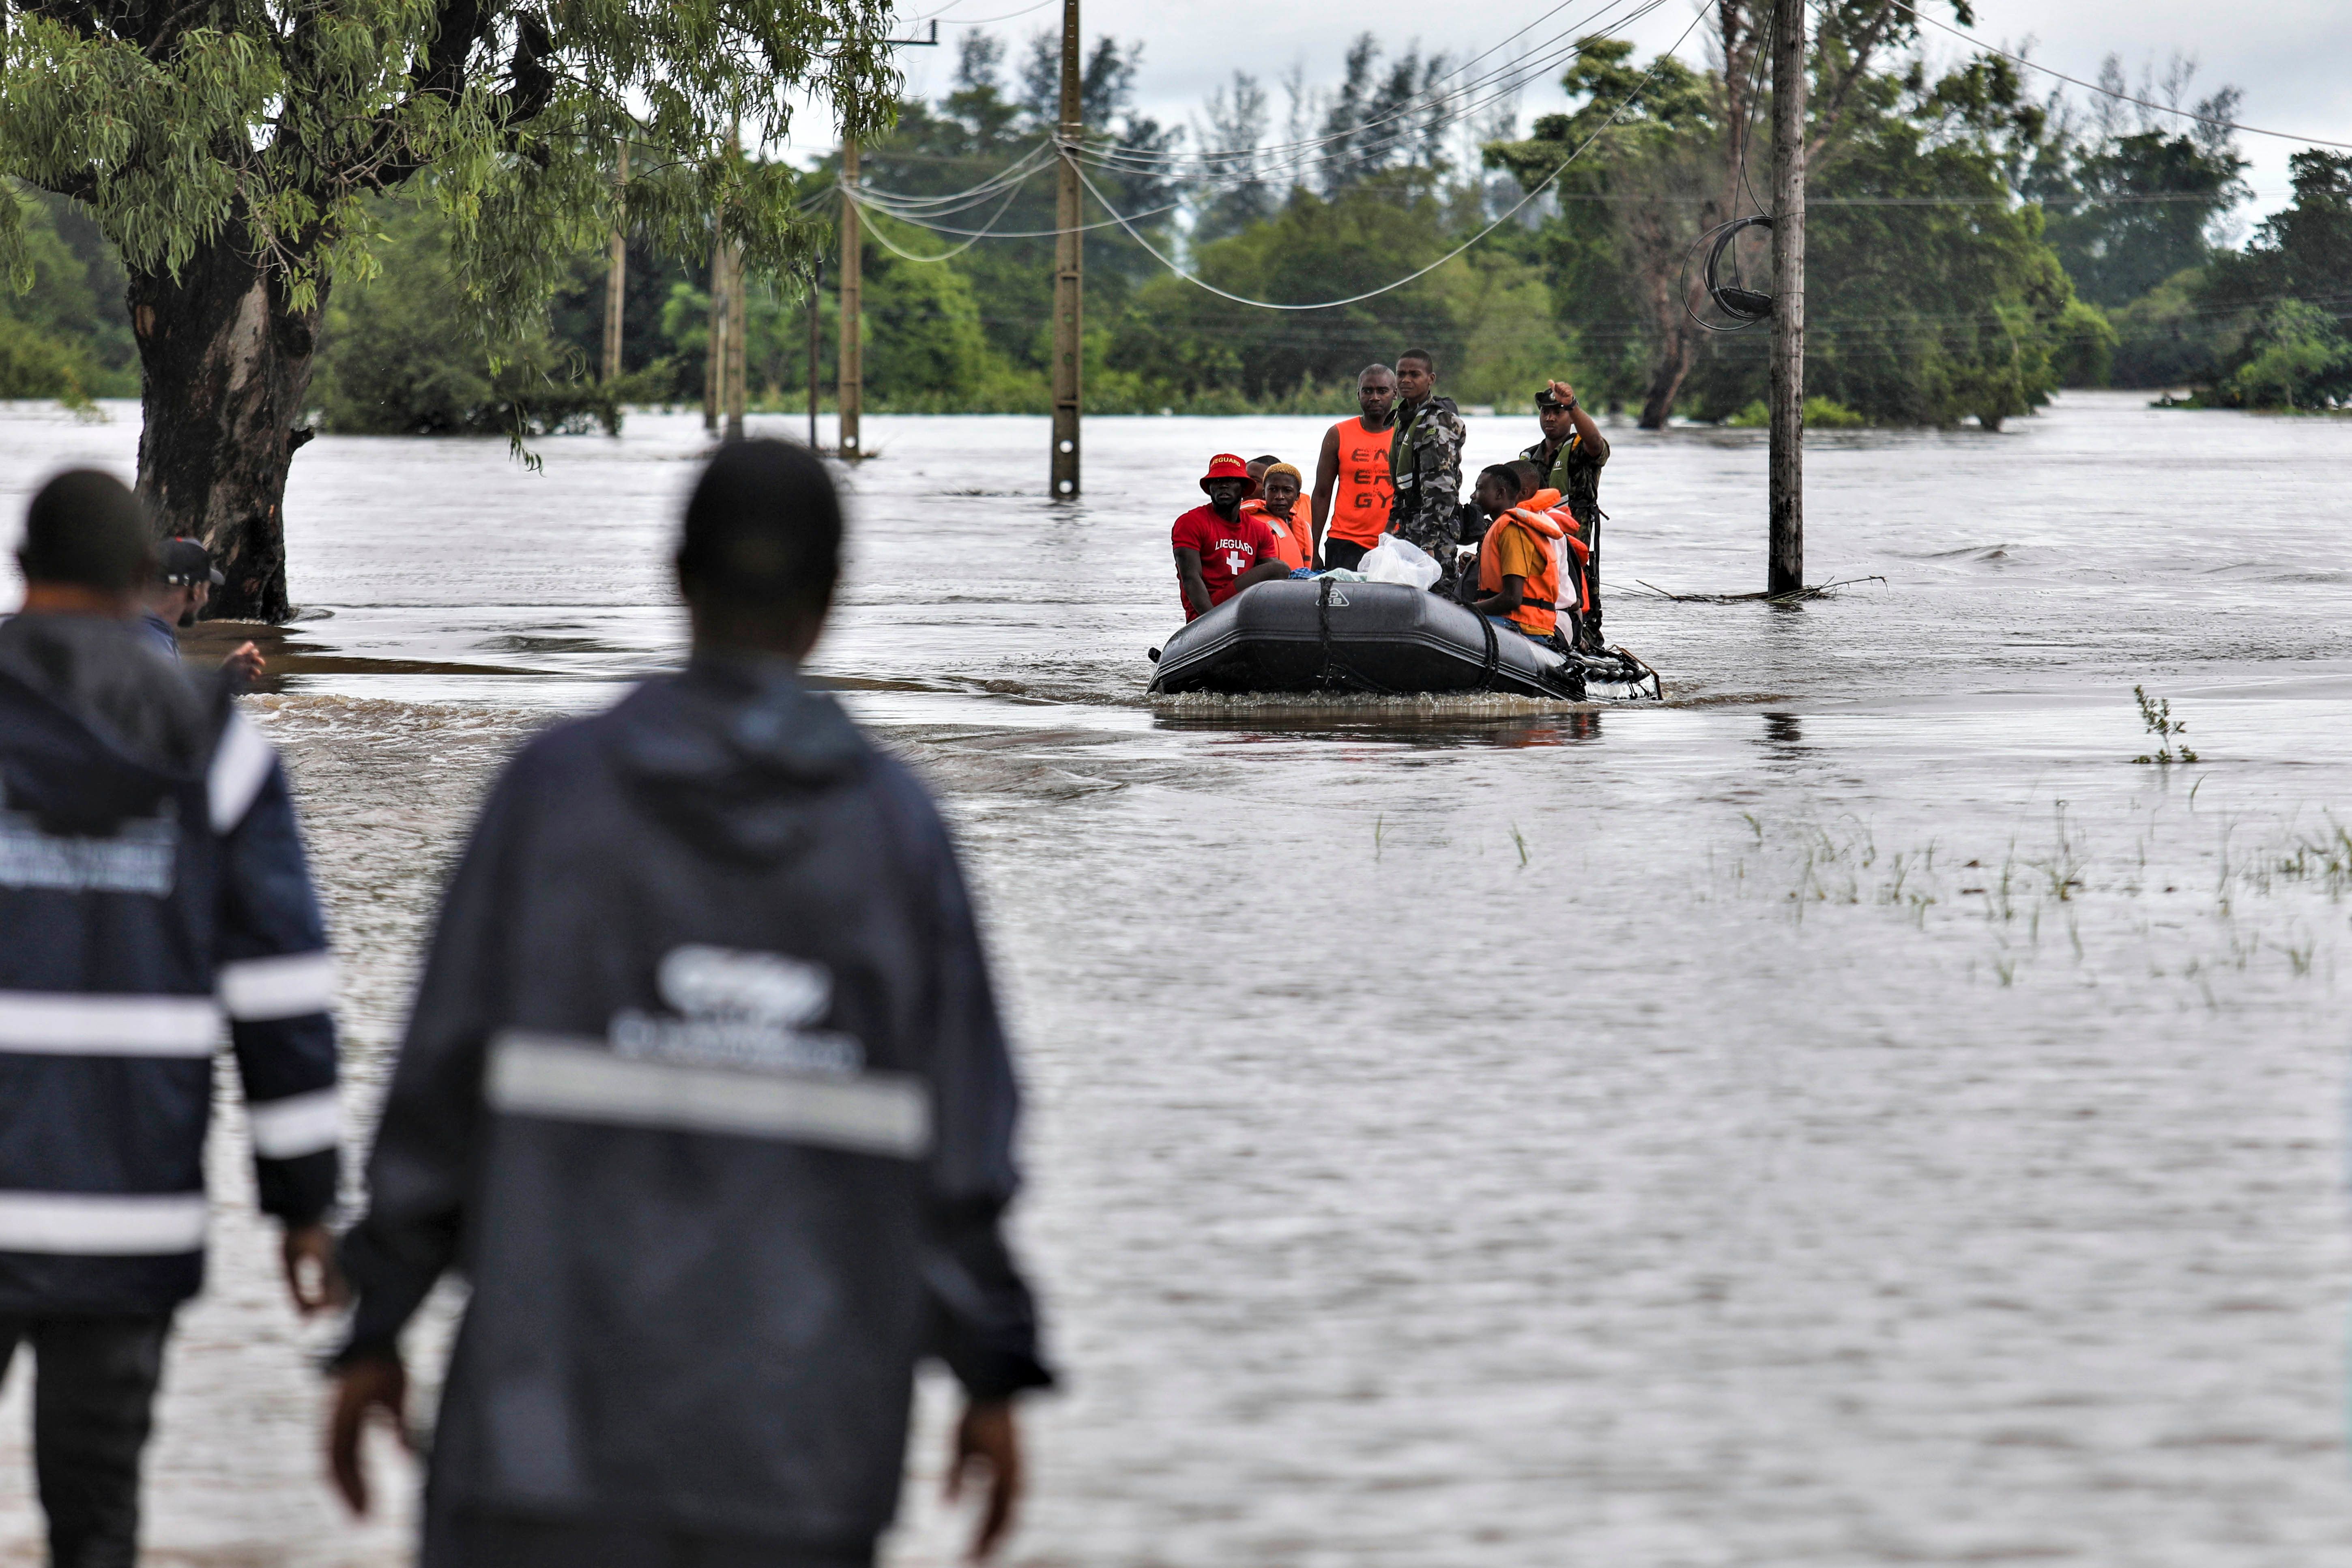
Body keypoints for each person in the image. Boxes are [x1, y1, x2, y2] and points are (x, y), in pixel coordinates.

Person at [327, 439, 1053, 1568]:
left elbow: (435, 1092)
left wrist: (374, 1326)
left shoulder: (551, 798)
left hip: (539, 1452)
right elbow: (962, 1148)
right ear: (828, 600)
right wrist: (990, 1369)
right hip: (800, 1462)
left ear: (677, 577)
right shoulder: (894, 834)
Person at [0, 469, 343, 1568]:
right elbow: (282, 991)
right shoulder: (213, 743)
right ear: (146, 582)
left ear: (22, 573)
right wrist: (303, 1201)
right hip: (127, 1204)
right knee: (96, 1515)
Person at [1519, 380, 1611, 650]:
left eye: (1558, 412)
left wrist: (1572, 404)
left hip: (1574, 552)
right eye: (1545, 412)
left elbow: (1596, 445)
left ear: (1570, 416)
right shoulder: (1528, 457)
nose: (1549, 418)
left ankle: (1587, 651)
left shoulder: (1580, 450)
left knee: (1585, 617)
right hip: (1536, 552)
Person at [1464, 464, 1585, 647]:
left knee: (1460, 621)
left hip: (1527, 624)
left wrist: (1466, 609)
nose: (1473, 495)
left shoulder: (1513, 529)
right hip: (1526, 619)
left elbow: (1513, 598)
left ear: (1500, 493)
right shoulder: (1509, 524)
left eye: (1480, 489)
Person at [1386, 349, 1467, 597]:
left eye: (1415, 375)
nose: (1406, 380)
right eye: (1401, 375)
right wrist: (1393, 523)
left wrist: (1429, 544)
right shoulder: (1404, 419)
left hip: (1435, 528)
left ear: (1430, 379)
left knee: (1439, 594)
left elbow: (1441, 488)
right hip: (1411, 522)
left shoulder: (1436, 423)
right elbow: (1404, 482)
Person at [1173, 453, 1288, 620]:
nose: (1223, 486)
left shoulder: (1259, 530)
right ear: (1210, 487)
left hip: (1243, 606)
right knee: (1279, 568)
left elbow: (1271, 582)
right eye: (1217, 481)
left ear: (1243, 488)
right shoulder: (1190, 523)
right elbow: (1191, 579)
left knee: (1281, 571)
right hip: (1208, 609)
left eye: (1231, 481)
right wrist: (1211, 621)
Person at [144, 535, 266, 681]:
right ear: (195, 590)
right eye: (206, 589)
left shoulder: (138, 628)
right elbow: (170, 701)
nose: (207, 599)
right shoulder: (154, 646)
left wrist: (222, 679)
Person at [1311, 364, 1397, 571]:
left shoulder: (1406, 435)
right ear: (1358, 394)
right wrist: (1312, 550)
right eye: (1368, 391)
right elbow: (1322, 494)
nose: (1374, 397)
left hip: (1393, 542)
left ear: (1395, 393)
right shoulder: (1338, 435)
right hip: (1345, 542)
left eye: (1382, 391)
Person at [1242, 462, 1312, 572]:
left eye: (1287, 491)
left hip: (1298, 585)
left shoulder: (1301, 526)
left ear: (1297, 496)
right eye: (1273, 490)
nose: (1280, 497)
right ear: (1264, 493)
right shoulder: (1251, 524)